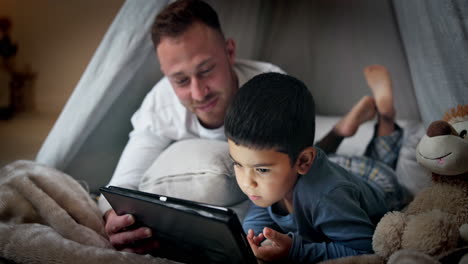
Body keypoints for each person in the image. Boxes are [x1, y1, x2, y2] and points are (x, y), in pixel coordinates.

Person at [99, 0, 403, 255]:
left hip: (357, 179)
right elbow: (121, 184)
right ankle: (344, 129)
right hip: (301, 170)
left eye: (206, 70)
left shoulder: (267, 84)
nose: (198, 92)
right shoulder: (159, 107)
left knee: (368, 168)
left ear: (230, 53)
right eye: (180, 80)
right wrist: (114, 216)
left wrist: (296, 251)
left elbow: (358, 243)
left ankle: (377, 123)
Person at [224, 71, 407, 263]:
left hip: (374, 180)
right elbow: (260, 210)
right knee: (299, 151)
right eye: (237, 163)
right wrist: (254, 237)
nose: (246, 182)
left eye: (261, 169)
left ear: (304, 162)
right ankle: (339, 131)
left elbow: (363, 249)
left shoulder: (327, 198)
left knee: (381, 161)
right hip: (328, 165)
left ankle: (386, 117)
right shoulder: (266, 185)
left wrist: (295, 250)